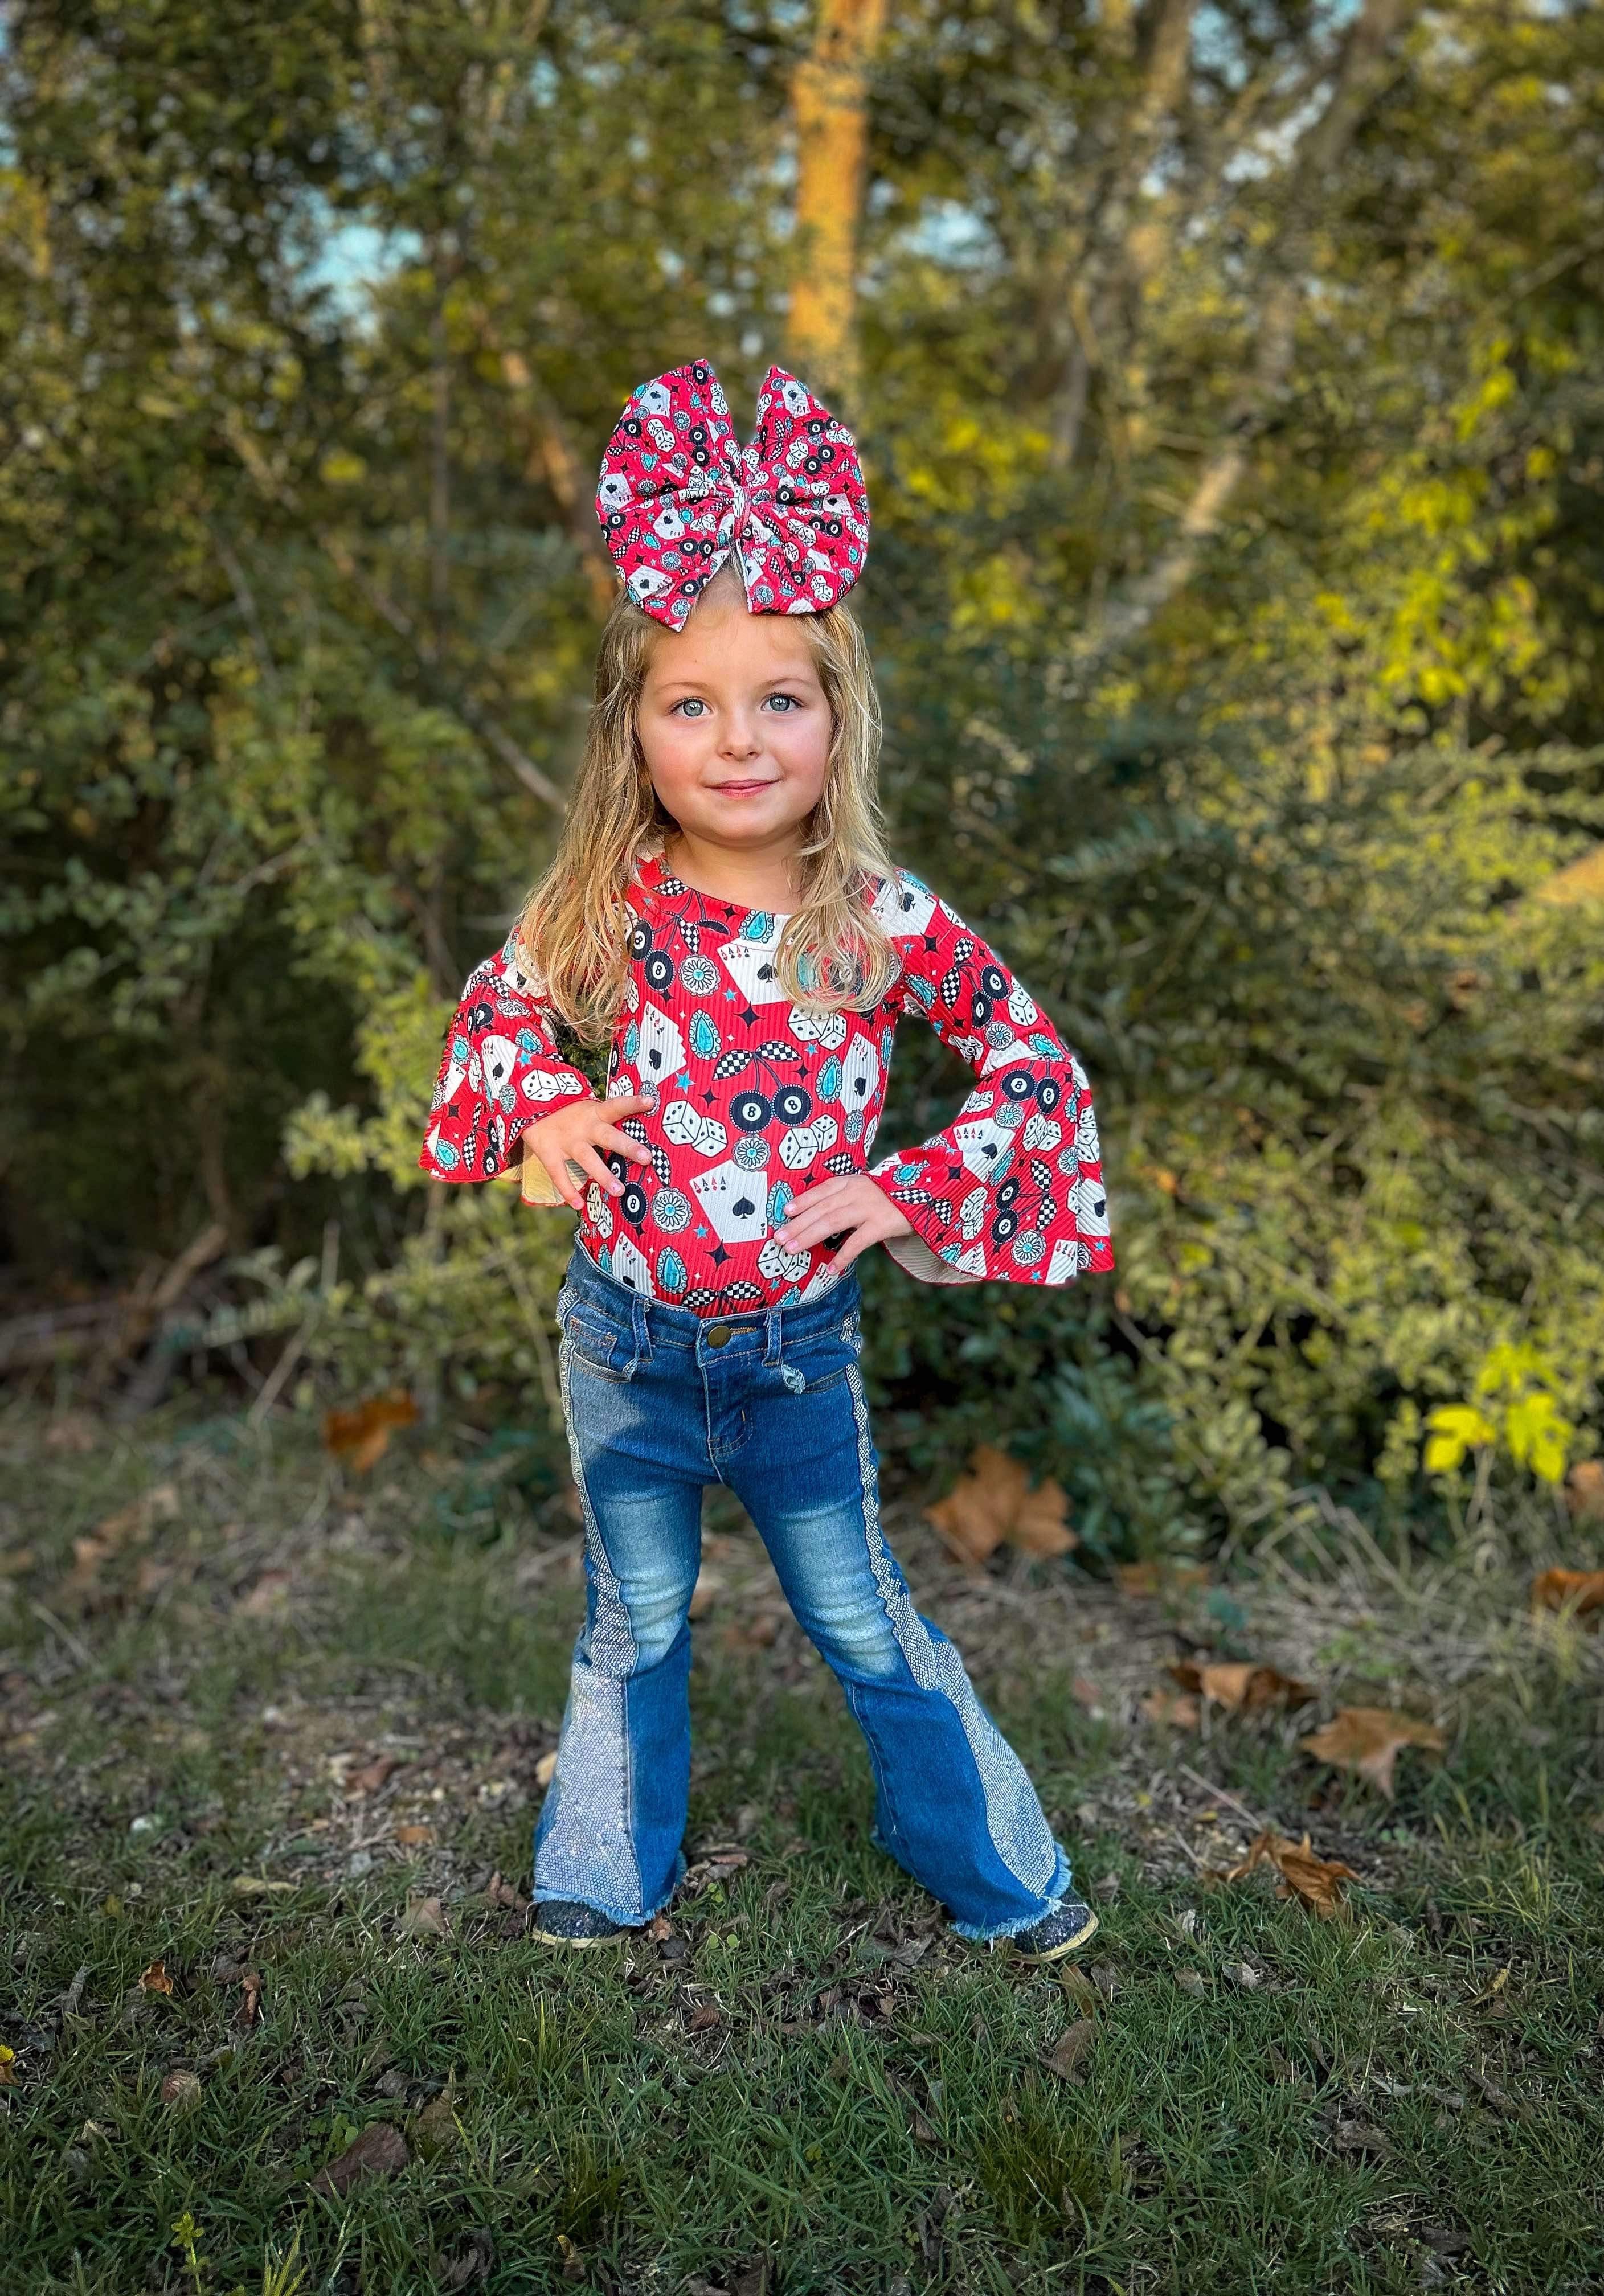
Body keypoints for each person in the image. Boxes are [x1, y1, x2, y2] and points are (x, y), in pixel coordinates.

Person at [419, 359, 1114, 1965]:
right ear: (636, 730)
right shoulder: (611, 901)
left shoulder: (879, 920)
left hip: (798, 1356)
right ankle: (605, 1867)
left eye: (779, 701)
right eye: (692, 705)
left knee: (862, 1617)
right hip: (624, 1346)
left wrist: (909, 1187)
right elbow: (500, 1008)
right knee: (633, 1619)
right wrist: (545, 1104)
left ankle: (994, 1870)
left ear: (837, 717)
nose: (738, 741)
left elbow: (1034, 1065)